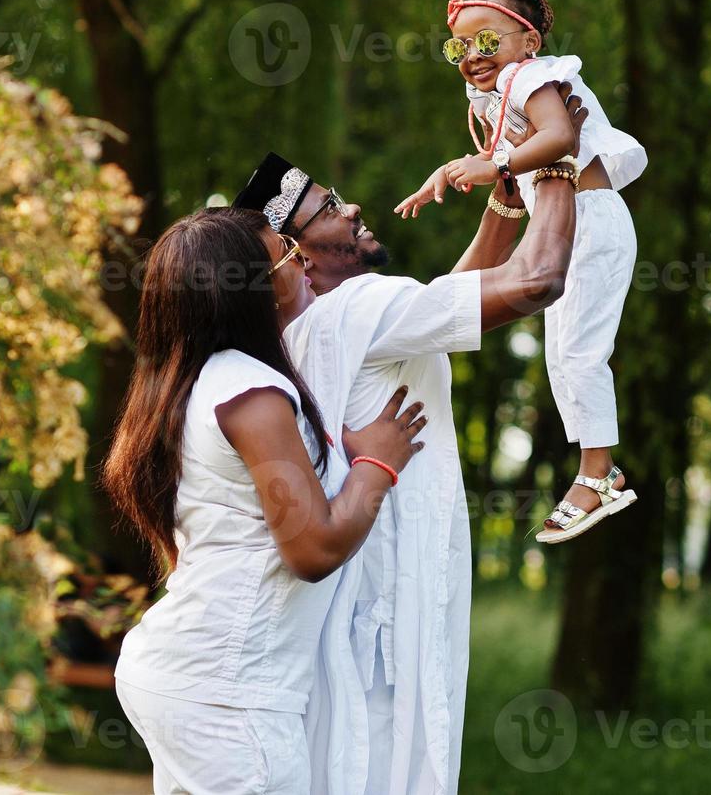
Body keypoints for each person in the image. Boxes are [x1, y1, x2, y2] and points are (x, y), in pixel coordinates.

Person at [231, 97, 583, 794]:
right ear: (297, 251)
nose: (354, 208)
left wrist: (501, 208)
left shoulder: (308, 332)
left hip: (353, 621)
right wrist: (560, 161)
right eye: (331, 207)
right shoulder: (359, 309)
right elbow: (536, 281)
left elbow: (437, 310)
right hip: (387, 626)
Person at [102, 208, 428, 794]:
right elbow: (313, 548)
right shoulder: (252, 393)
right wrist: (377, 466)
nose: (301, 258)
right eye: (285, 252)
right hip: (225, 693)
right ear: (246, 290)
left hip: (187, 675)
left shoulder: (197, 383)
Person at [395, 0, 647, 545]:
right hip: (568, 224)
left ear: (529, 41)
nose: (473, 56)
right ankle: (594, 468)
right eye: (460, 45)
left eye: (489, 40)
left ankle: (599, 473)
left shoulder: (536, 76)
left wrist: (498, 166)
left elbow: (559, 137)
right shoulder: (495, 93)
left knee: (580, 355)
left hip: (590, 216)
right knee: (562, 357)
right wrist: (450, 173)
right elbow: (496, 159)